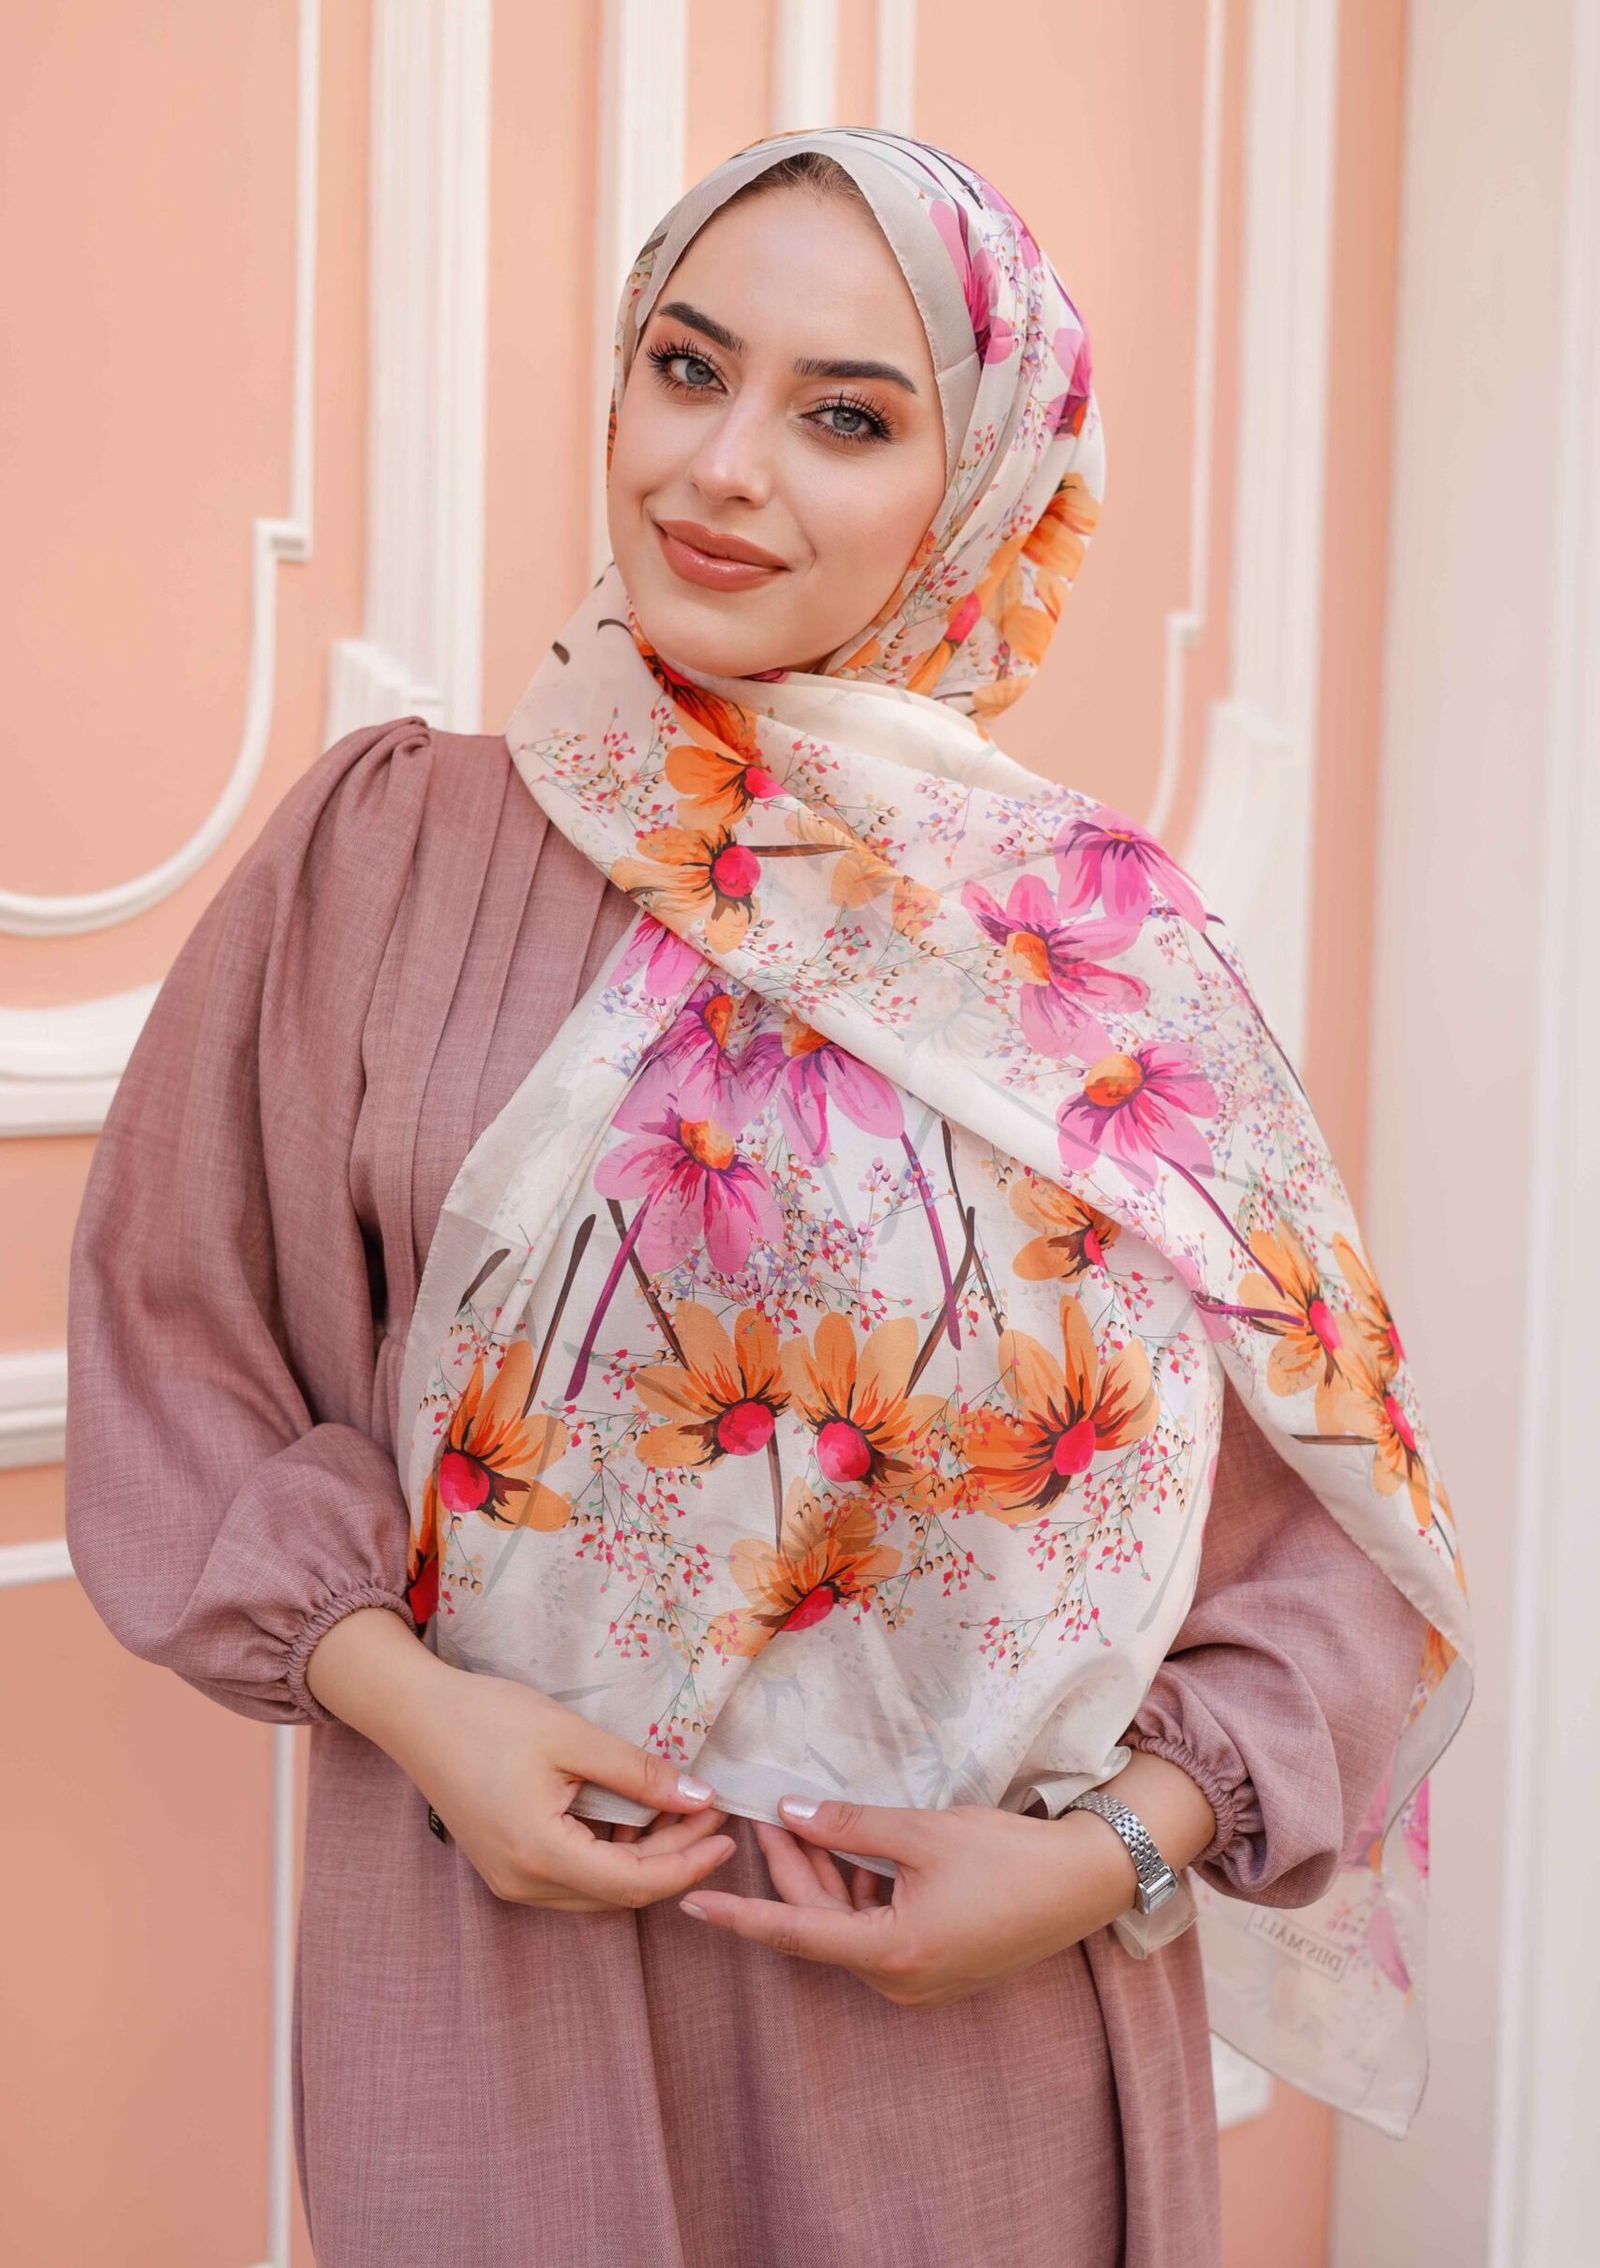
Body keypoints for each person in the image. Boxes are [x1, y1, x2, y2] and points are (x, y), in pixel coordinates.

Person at [64, 129, 1470, 2268]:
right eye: (686, 367)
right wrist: (416, 1711)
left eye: (846, 418)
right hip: (492, 1958)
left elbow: (1336, 1541)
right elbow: (180, 1345)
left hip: (971, 2042)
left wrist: (1104, 1859)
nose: (719, 471)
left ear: (981, 491)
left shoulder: (1089, 956)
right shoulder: (390, 853)